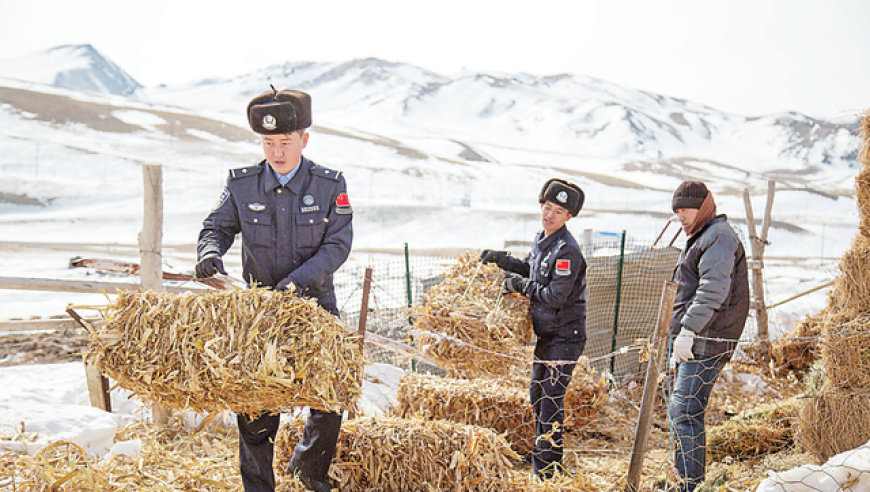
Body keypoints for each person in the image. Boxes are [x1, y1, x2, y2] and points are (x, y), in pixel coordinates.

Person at [195, 87, 352, 492]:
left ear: (304, 139)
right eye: (268, 143)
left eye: (285, 142)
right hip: (259, 318)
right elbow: (216, 226)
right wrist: (210, 253)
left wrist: (298, 282)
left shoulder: (329, 184)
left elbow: (337, 245)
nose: (277, 152)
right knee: (256, 412)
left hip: (315, 311)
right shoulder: (242, 185)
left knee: (328, 402)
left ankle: (308, 476)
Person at [480, 178, 587, 480]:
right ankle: (544, 456)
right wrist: (503, 261)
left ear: (569, 217)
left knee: (550, 400)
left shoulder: (568, 251)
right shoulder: (543, 239)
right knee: (537, 396)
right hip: (548, 336)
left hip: (566, 337)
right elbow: (531, 269)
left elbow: (555, 296)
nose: (550, 215)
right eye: (547, 207)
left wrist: (520, 285)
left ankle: (547, 473)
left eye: (558, 211)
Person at [667, 180, 749, 492]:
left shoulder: (718, 237)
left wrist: (688, 330)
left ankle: (689, 485)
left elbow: (713, 288)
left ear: (703, 207)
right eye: (677, 211)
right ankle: (683, 480)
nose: (681, 216)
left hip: (707, 338)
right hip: (699, 337)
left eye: (686, 209)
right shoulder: (703, 235)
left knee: (685, 409)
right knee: (682, 411)